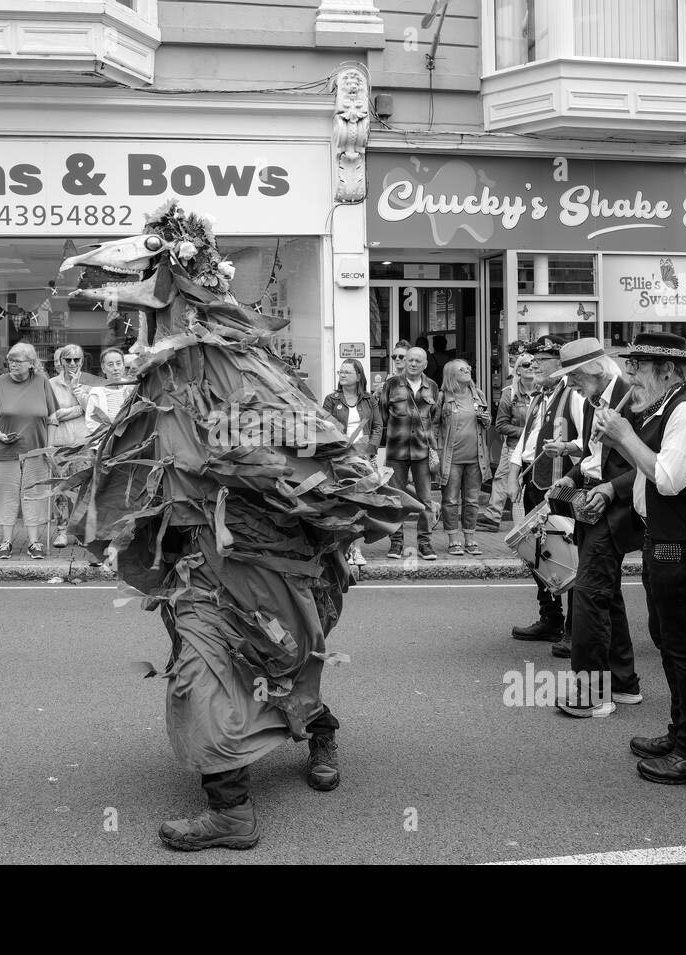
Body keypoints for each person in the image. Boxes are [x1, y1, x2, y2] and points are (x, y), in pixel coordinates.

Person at [60, 204, 415, 850]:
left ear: (180, 288)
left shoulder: (235, 364)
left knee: (276, 662)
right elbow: (147, 447)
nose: (135, 314)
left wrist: (351, 500)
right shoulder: (161, 369)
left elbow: (309, 440)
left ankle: (320, 730)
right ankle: (230, 807)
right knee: (199, 672)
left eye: (148, 285)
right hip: (198, 561)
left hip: (259, 559)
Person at [595, 332, 686, 785]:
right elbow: (652, 468)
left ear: (668, 370)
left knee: (685, 647)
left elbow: (668, 478)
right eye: (628, 364)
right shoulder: (668, 403)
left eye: (638, 366)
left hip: (682, 543)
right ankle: (682, 732)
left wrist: (624, 435)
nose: (628, 374)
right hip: (664, 538)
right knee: (670, 641)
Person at [547, 338, 641, 716]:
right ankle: (623, 683)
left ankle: (591, 695)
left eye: (573, 376)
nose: (569, 384)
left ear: (596, 369)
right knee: (605, 594)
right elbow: (593, 454)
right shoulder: (592, 400)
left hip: (612, 506)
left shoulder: (633, 398)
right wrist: (572, 476)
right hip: (590, 501)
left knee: (588, 595)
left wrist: (611, 488)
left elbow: (650, 461)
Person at [508, 335, 583, 645]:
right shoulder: (539, 397)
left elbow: (590, 444)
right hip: (534, 486)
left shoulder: (575, 396)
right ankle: (550, 619)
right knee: (538, 554)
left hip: (561, 489)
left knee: (568, 555)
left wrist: (566, 448)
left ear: (561, 363)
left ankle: (574, 630)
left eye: (543, 359)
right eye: (533, 359)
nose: (534, 364)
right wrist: (513, 475)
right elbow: (526, 441)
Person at [0, 341, 58, 559]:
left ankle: (34, 542)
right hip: (2, 450)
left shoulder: (42, 383)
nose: (12, 364)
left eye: (17, 361)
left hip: (36, 450)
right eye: (10, 360)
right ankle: (6, 541)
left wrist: (50, 448)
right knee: (5, 494)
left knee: (35, 494)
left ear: (31, 363)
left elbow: (52, 418)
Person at [380, 346, 441, 560]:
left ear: (425, 364)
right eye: (410, 360)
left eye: (418, 361)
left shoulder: (432, 386)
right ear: (404, 362)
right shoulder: (391, 385)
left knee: (425, 499)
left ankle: (425, 544)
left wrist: (434, 447)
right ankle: (396, 543)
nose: (413, 364)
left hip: (422, 451)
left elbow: (434, 419)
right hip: (396, 450)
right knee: (395, 499)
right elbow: (382, 416)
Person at [322, 358, 383, 565]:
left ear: (359, 376)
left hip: (363, 458)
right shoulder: (331, 399)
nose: (343, 374)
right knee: (343, 504)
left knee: (361, 503)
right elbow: (325, 427)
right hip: (340, 457)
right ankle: (343, 550)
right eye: (341, 372)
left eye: (348, 372)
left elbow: (377, 427)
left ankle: (357, 550)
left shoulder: (369, 400)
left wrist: (369, 450)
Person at [437, 358, 490, 557]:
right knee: (450, 500)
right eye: (462, 369)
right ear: (451, 375)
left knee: (472, 500)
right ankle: (453, 540)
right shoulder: (443, 397)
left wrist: (486, 420)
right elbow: (434, 425)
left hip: (476, 458)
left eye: (468, 368)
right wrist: (435, 450)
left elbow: (487, 423)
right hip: (451, 458)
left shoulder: (478, 394)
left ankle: (470, 539)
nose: (468, 370)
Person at [482, 353, 535, 529]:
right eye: (526, 364)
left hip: (538, 447)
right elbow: (501, 425)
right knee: (504, 479)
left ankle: (523, 521)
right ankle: (494, 517)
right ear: (518, 369)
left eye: (534, 364)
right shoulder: (509, 393)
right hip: (513, 446)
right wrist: (527, 432)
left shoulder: (543, 391)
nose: (531, 367)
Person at [46, 343, 90, 548]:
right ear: (61, 361)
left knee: (83, 489)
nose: (72, 363)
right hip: (60, 444)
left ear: (82, 361)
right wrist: (75, 411)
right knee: (61, 489)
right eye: (68, 359)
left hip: (83, 443)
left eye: (76, 359)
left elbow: (90, 409)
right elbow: (49, 415)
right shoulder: (50, 384)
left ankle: (80, 531)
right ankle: (62, 531)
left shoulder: (88, 383)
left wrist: (76, 389)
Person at [85, 347, 134, 436]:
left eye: (118, 363)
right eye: (110, 365)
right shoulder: (97, 393)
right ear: (103, 368)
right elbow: (92, 423)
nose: (115, 368)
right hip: (107, 442)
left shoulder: (131, 389)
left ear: (123, 366)